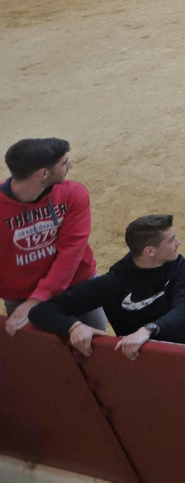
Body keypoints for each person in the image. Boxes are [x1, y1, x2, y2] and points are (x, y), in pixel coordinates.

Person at [28, 214, 185, 357]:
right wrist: (74, 327)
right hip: (140, 353)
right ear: (150, 251)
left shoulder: (180, 266)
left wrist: (148, 330)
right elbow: (42, 312)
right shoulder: (113, 283)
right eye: (172, 239)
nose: (179, 242)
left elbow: (184, 310)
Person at [2, 138, 100, 335]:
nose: (70, 165)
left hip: (76, 284)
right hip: (22, 295)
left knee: (96, 349)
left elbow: (72, 251)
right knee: (42, 359)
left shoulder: (73, 192)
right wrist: (30, 302)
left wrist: (37, 299)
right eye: (64, 163)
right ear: (43, 173)